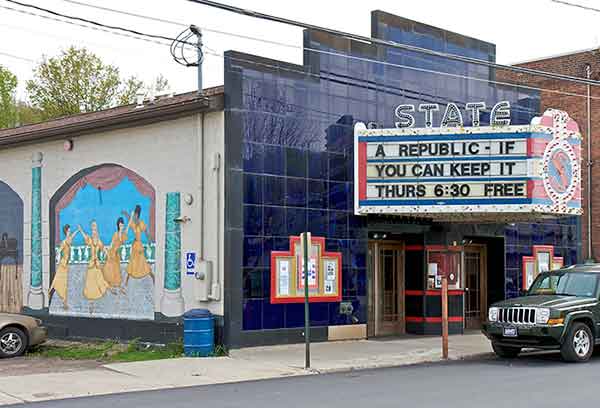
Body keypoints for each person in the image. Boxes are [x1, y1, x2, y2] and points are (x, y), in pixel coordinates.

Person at [79, 221, 109, 309]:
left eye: (95, 230)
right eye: (92, 230)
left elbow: (104, 249)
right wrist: (81, 230)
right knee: (91, 280)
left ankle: (98, 294)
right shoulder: (90, 240)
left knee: (99, 279)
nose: (94, 232)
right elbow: (85, 236)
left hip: (97, 263)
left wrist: (107, 255)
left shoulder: (99, 241)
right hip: (92, 262)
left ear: (97, 231)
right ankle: (91, 300)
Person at [123, 205, 154, 285]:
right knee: (132, 262)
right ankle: (127, 280)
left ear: (138, 215)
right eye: (134, 215)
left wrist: (149, 240)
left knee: (143, 262)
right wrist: (126, 214)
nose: (134, 217)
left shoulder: (141, 223)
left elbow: (146, 231)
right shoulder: (133, 223)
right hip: (134, 245)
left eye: (136, 215)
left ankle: (152, 276)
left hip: (139, 245)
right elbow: (129, 219)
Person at [49, 225, 79, 309]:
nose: (69, 232)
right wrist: (56, 257)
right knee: (62, 282)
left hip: (65, 264)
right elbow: (59, 250)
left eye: (70, 231)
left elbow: (73, 235)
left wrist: (78, 230)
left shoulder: (68, 239)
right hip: (63, 264)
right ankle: (64, 302)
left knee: (58, 279)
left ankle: (50, 291)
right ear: (66, 232)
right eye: (68, 231)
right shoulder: (64, 241)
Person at [102, 217, 128, 294]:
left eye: (122, 225)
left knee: (116, 269)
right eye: (120, 225)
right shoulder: (116, 234)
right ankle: (110, 287)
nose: (121, 227)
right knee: (110, 269)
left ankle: (119, 287)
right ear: (118, 226)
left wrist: (131, 217)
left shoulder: (123, 235)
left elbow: (128, 226)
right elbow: (111, 244)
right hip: (112, 252)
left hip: (116, 254)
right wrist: (106, 252)